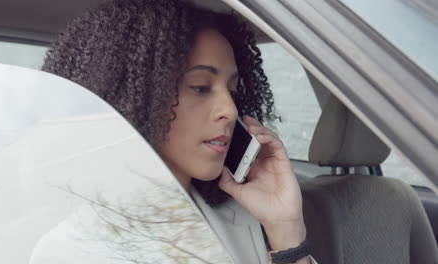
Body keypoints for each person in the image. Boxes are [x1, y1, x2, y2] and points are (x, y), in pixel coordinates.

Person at [43, 0, 318, 263]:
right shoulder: (74, 251)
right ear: (135, 98)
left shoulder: (245, 216)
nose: (230, 110)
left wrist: (287, 231)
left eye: (233, 91)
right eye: (200, 87)